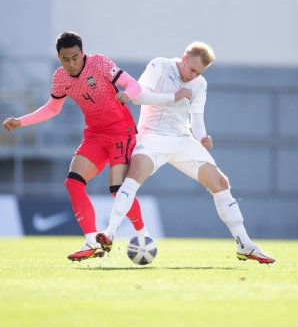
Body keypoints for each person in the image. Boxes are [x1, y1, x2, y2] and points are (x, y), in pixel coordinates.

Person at [96, 41, 275, 264]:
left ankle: (244, 244)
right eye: (192, 69)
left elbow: (197, 118)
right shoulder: (160, 65)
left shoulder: (200, 84)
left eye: (199, 72)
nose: (193, 76)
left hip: (182, 139)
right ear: (184, 58)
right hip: (152, 135)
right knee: (134, 176)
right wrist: (174, 96)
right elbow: (138, 96)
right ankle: (110, 233)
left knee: (220, 182)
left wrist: (203, 137)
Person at [3, 31, 149, 261]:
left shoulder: (100, 63)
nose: (71, 64)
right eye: (65, 59)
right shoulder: (60, 78)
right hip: (95, 136)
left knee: (117, 190)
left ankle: (143, 235)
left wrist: (127, 95)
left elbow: (133, 84)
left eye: (75, 57)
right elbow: (52, 108)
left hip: (122, 133)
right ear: (59, 58)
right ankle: (92, 241)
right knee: (73, 183)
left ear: (83, 53)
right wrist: (21, 121)